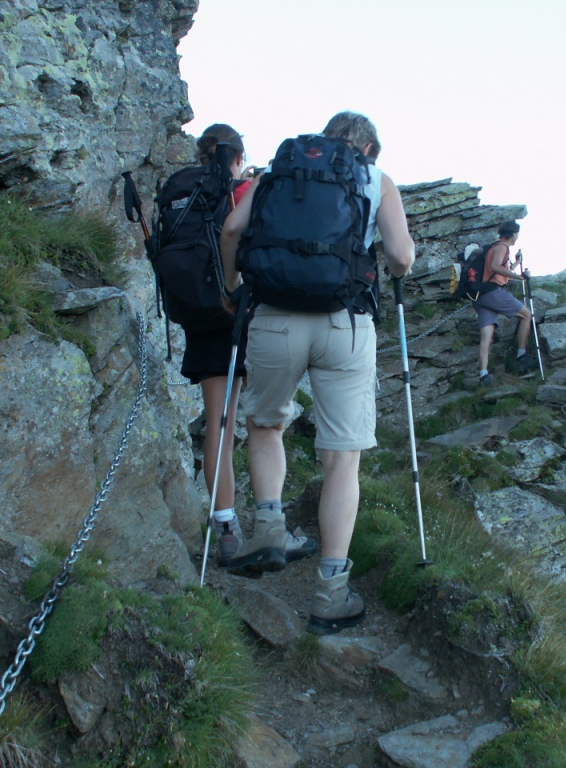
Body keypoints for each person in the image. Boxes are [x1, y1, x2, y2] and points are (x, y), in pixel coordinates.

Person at [220, 111, 416, 634]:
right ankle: (331, 592)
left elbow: (232, 229)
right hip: (344, 324)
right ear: (368, 148)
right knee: (342, 458)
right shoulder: (376, 178)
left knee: (265, 424)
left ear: (325, 139)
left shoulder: (279, 172)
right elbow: (400, 257)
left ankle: (268, 528)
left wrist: (231, 288)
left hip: (274, 319)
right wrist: (397, 263)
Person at [184, 124, 315, 569]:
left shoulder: (185, 193)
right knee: (262, 423)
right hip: (242, 314)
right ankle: (269, 528)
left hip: (198, 314)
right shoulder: (244, 190)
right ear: (237, 157)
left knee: (217, 423)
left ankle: (225, 528)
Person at [472, 220, 532, 385]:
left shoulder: (494, 247)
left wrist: (516, 263)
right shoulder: (502, 247)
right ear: (513, 234)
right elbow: (496, 267)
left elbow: (500, 269)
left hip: (480, 296)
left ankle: (483, 374)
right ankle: (521, 354)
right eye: (517, 233)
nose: (517, 237)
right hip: (493, 292)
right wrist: (520, 277)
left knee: (486, 336)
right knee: (526, 315)